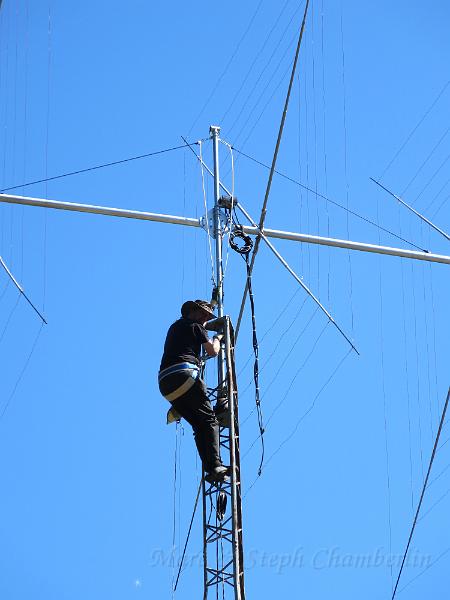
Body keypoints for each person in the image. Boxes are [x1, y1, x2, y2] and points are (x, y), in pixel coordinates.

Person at [158, 299, 229, 482]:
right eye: (204, 314)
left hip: (166, 385)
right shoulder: (195, 326)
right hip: (184, 375)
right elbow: (213, 351)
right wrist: (219, 337)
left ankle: (212, 469)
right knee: (209, 420)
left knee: (199, 425)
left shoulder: (175, 328)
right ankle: (216, 465)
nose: (205, 318)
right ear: (193, 313)